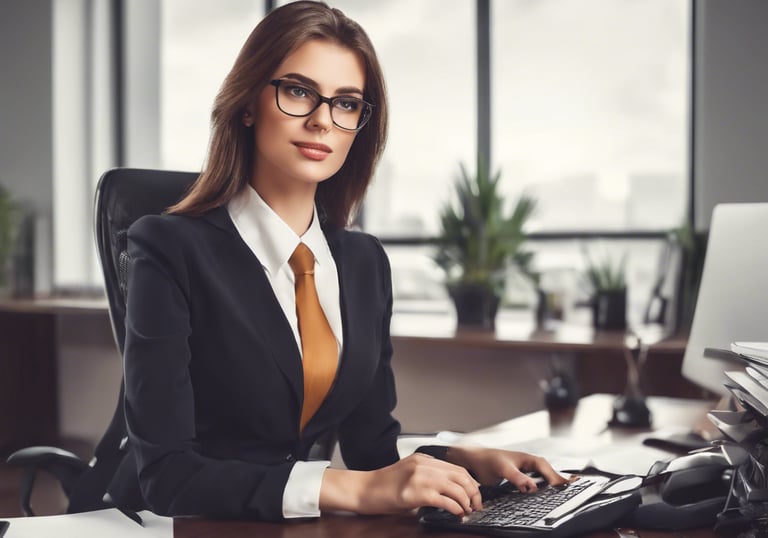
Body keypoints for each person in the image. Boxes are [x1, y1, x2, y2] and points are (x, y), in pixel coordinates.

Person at [108, 0, 566, 522]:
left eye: (346, 103)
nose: (323, 120)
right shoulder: (169, 247)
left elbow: (372, 450)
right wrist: (350, 490)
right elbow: (169, 477)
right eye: (299, 91)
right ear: (248, 103)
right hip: (166, 524)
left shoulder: (363, 261)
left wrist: (459, 458)